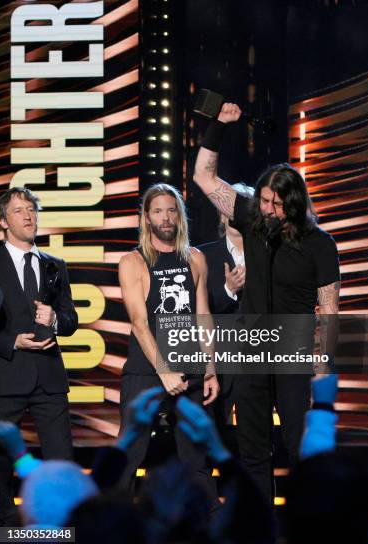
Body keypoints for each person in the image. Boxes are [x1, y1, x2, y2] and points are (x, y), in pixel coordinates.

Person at [193, 103, 340, 500]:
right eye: (263, 201)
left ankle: (310, 523)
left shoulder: (319, 244)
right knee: (252, 447)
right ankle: (261, 531)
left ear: (293, 203)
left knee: (298, 444)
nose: (268, 210)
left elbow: (328, 308)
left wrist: (322, 365)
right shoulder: (253, 219)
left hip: (293, 351)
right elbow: (203, 178)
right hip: (252, 348)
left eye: (276, 204)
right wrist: (218, 126)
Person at [118, 183, 220, 507]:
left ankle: (209, 531)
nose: (165, 217)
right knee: (129, 454)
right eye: (158, 211)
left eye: (171, 210)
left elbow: (203, 315)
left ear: (179, 216)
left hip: (190, 366)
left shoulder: (196, 259)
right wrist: (164, 371)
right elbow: (139, 322)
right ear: (146, 217)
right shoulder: (132, 262)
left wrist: (210, 371)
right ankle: (109, 529)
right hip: (146, 369)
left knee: (197, 458)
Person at [0, 187, 78, 525]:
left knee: (62, 460)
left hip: (49, 379)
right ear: (3, 221)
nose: (28, 216)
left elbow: (71, 320)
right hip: (6, 377)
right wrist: (11, 342)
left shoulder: (54, 265)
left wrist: (55, 320)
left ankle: (66, 529)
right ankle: (4, 529)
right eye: (19, 210)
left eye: (31, 209)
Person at [198, 183, 254, 433]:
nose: (236, 213)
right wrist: (229, 289)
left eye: (243, 206)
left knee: (256, 436)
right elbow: (198, 308)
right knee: (215, 436)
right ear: (222, 213)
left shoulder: (268, 254)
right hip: (219, 362)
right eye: (230, 206)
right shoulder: (203, 256)